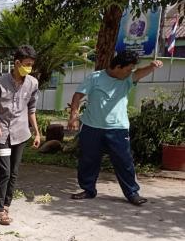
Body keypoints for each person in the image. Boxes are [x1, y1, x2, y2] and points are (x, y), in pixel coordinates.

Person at [68, 50, 163, 205]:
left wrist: (152, 66)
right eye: (128, 69)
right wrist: (73, 116)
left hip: (118, 128)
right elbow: (78, 95)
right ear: (118, 66)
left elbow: (139, 73)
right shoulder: (95, 78)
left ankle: (132, 193)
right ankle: (88, 190)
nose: (130, 73)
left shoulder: (127, 79)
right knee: (88, 160)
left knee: (124, 162)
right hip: (92, 127)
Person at [0, 45, 41, 226]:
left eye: (31, 65)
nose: (29, 68)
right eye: (27, 64)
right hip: (2, 134)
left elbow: (32, 110)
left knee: (14, 172)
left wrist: (37, 132)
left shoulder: (32, 83)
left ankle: (6, 205)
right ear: (17, 63)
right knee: (5, 171)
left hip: (20, 134)